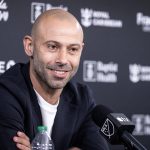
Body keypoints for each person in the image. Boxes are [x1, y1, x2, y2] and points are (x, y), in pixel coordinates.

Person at [0, 9, 109, 150]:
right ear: (29, 46)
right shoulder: (5, 93)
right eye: (52, 46)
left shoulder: (82, 97)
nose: (63, 60)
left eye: (73, 49)